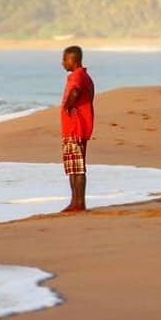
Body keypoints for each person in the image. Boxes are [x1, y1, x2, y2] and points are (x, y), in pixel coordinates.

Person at [60, 46, 95, 212]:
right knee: (73, 167)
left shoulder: (78, 75)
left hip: (76, 127)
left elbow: (75, 91)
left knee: (77, 167)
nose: (62, 63)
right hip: (74, 128)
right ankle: (75, 201)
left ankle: (79, 203)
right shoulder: (83, 76)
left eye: (65, 59)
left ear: (73, 60)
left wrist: (68, 105)